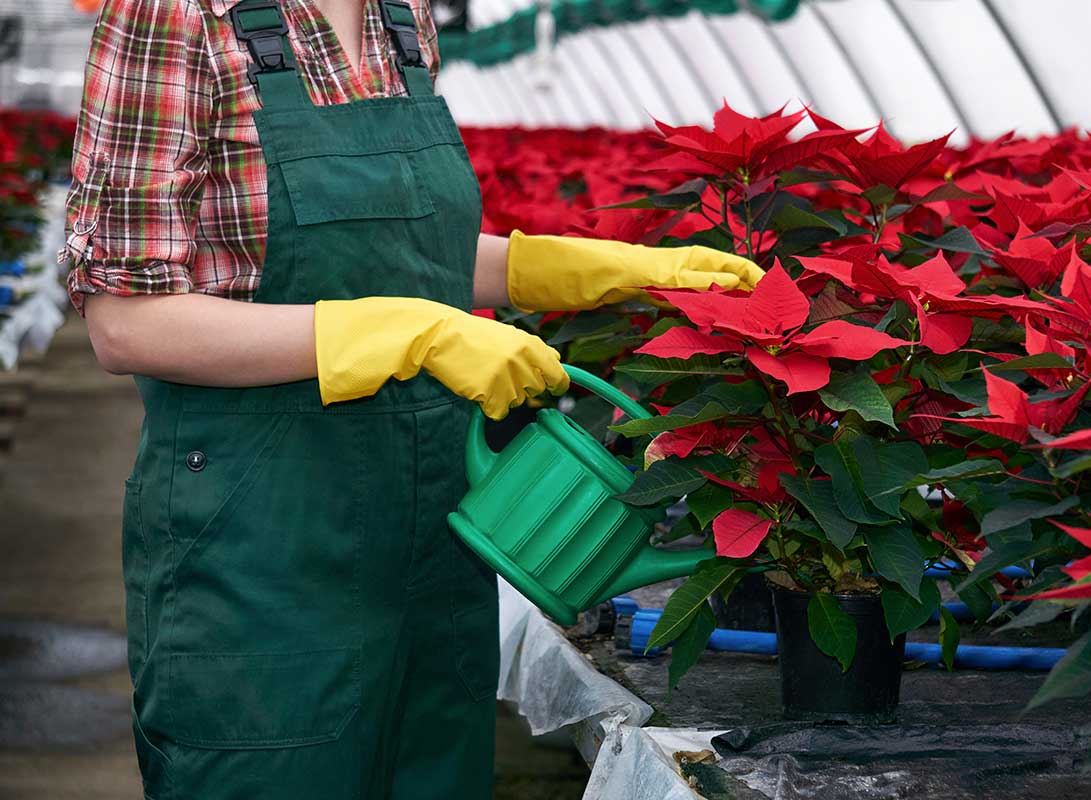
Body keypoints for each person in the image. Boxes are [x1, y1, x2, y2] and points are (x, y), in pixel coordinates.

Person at [61, 1, 763, 797]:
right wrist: (408, 334)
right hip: (262, 550)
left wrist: (583, 269)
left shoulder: (404, 18)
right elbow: (126, 323)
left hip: (432, 551)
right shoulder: (179, 14)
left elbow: (399, 251)